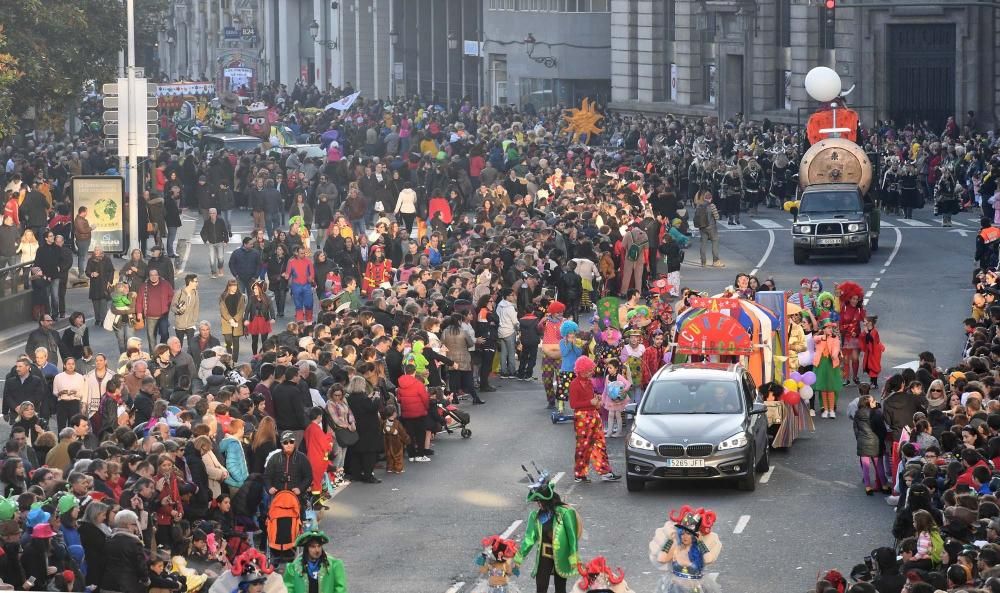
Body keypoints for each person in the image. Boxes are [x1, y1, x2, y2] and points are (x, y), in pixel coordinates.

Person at [513, 468, 582, 593]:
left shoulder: (565, 513)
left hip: (562, 555)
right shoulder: (535, 516)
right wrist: (519, 557)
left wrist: (574, 557)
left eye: (540, 501)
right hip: (544, 555)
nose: (538, 504)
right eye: (537, 501)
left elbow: (572, 537)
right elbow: (529, 539)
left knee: (560, 589)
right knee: (541, 587)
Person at [569, 356, 620, 483]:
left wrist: (596, 399)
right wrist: (590, 402)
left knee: (600, 444)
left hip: (594, 415)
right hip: (582, 418)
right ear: (582, 370)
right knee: (583, 446)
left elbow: (591, 399)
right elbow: (573, 404)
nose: (592, 371)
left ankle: (605, 472)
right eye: (589, 370)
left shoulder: (589, 382)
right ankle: (579, 474)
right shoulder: (574, 384)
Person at [648, 505, 722, 593]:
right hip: (675, 589)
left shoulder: (699, 551)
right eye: (682, 533)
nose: (684, 536)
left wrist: (701, 542)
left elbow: (709, 560)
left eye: (689, 533)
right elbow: (661, 559)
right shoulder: (676, 548)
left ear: (695, 536)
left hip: (695, 589)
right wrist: (670, 540)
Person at [282, 530, 347, 593]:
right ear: (306, 549)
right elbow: (288, 589)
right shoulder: (294, 567)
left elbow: (340, 589)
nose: (317, 550)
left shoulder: (334, 565)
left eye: (319, 546)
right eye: (313, 547)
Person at [100, 510, 147, 593]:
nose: (136, 528)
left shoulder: (108, 540)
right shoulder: (134, 543)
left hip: (107, 584)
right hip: (127, 586)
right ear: (128, 525)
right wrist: (146, 580)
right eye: (135, 524)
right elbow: (141, 566)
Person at [264, 430, 311, 507]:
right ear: (282, 444)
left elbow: (308, 477)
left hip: (297, 498)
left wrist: (300, 488)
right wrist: (269, 488)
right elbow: (267, 476)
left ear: (294, 443)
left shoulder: (302, 458)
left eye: (291, 442)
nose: (289, 445)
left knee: (298, 518)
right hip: (278, 498)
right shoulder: (274, 458)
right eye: (285, 442)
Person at [854, 394, 888, 495]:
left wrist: (859, 439)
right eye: (873, 400)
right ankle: (884, 486)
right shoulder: (877, 413)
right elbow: (882, 429)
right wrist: (882, 440)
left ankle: (868, 487)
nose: (875, 402)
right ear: (869, 403)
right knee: (879, 466)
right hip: (876, 442)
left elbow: (856, 429)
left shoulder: (858, 413)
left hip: (863, 442)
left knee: (865, 466)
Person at [137, 268, 174, 351]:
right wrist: (139, 312)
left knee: (164, 334)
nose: (153, 277)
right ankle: (153, 356)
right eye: (151, 275)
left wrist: (167, 304)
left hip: (163, 315)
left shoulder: (165, 284)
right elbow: (139, 300)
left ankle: (162, 351)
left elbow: (171, 296)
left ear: (158, 275)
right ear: (149, 276)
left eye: (155, 275)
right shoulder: (144, 286)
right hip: (150, 317)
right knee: (151, 338)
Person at [813, 319, 842, 418]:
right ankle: (825, 409)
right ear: (824, 329)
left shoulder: (835, 339)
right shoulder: (819, 338)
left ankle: (831, 410)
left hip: (831, 364)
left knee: (831, 388)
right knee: (823, 389)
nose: (830, 330)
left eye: (831, 328)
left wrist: (834, 355)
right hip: (821, 364)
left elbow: (836, 348)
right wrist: (823, 336)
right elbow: (815, 339)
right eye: (828, 328)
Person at [692, 187, 723, 268]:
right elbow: (717, 217)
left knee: (703, 244)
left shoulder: (699, 206)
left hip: (702, 227)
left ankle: (703, 262)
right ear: (711, 198)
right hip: (711, 227)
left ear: (704, 198)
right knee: (715, 242)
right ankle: (715, 261)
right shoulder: (712, 206)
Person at [84, 246, 115, 325]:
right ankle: (97, 318)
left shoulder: (106, 259)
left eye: (98, 250)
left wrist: (109, 281)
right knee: (95, 303)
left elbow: (111, 270)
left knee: (103, 302)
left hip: (104, 283)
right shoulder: (90, 260)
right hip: (94, 284)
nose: (97, 251)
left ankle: (103, 319)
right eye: (95, 250)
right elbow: (87, 271)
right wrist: (91, 273)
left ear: (101, 251)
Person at [220, 279, 247, 361]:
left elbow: (242, 309)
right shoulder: (223, 296)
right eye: (233, 286)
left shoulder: (241, 296)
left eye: (235, 285)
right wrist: (230, 320)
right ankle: (229, 359)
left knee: (236, 343)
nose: (235, 287)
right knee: (228, 342)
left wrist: (235, 319)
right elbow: (222, 310)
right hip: (226, 322)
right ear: (229, 286)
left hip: (237, 322)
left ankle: (234, 361)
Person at [200, 207, 230, 279]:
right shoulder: (207, 222)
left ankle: (220, 268)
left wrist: (226, 241)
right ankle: (213, 272)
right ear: (209, 214)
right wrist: (205, 240)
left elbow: (225, 231)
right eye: (210, 213)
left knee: (221, 258)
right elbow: (202, 232)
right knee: (212, 259)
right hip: (211, 243)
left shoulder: (221, 221)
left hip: (220, 242)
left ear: (216, 214)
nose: (212, 215)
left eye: (213, 213)